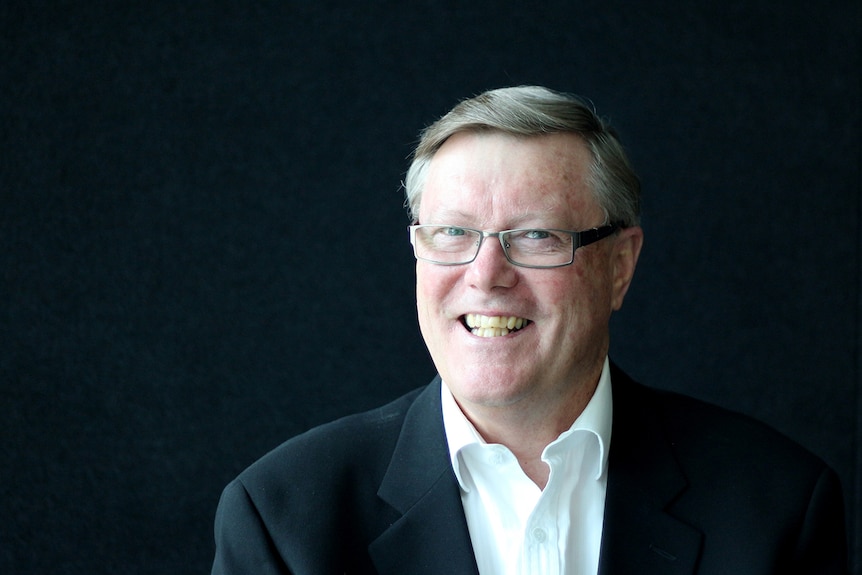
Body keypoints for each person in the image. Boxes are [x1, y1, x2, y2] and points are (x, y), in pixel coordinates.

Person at [211, 86, 848, 574]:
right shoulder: (283, 520)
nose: (486, 275)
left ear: (619, 266)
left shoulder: (778, 508)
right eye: (454, 233)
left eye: (536, 235)